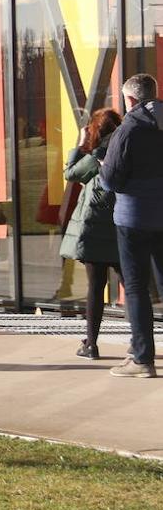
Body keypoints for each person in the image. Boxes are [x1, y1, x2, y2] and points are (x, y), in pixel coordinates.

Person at [100, 73, 163, 378]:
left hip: (134, 218)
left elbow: (110, 179)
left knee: (137, 288)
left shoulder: (127, 130)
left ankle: (142, 358)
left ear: (131, 100)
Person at [59, 109, 123, 359]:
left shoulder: (97, 154)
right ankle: (139, 340)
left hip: (94, 228)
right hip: (120, 228)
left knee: (96, 288)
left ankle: (91, 345)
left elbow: (71, 173)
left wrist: (79, 143)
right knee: (132, 287)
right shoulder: (124, 147)